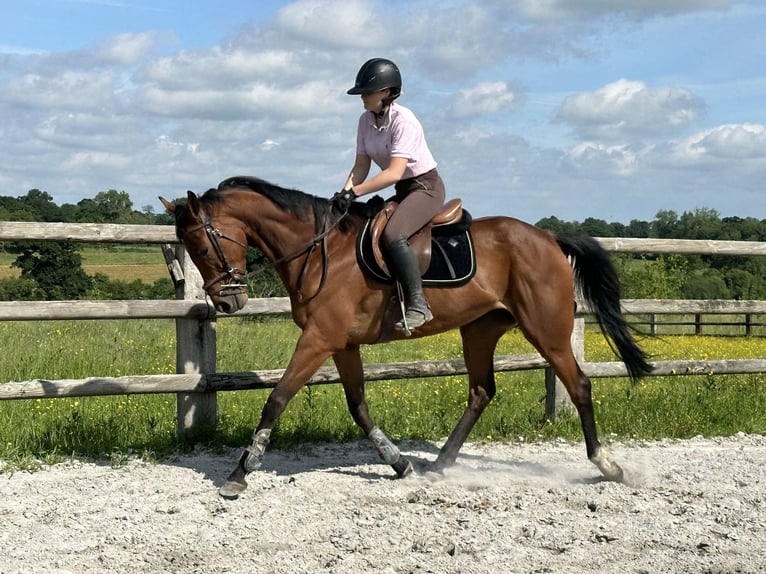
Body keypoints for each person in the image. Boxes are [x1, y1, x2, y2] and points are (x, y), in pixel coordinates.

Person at [332, 58, 446, 333]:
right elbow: (361, 165)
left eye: (367, 93)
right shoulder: (365, 120)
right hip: (403, 191)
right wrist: (345, 193)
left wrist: (356, 192)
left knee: (393, 234)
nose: (362, 98)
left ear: (386, 92)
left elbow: (395, 172)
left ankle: (419, 304)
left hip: (425, 188)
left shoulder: (404, 121)